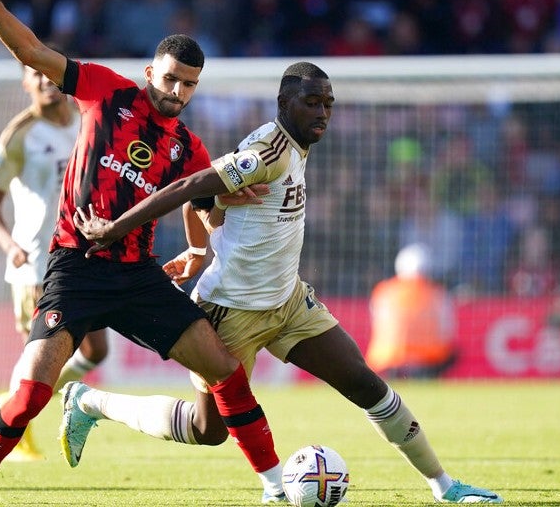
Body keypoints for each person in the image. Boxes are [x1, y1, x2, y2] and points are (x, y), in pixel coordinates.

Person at [0, 0, 278, 504]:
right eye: (171, 80)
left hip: (138, 277)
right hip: (73, 268)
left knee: (226, 372)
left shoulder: (186, 145)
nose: (178, 93)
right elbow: (31, 51)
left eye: (190, 86)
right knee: (33, 389)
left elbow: (205, 201)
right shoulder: (104, 90)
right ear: (148, 73)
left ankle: (276, 489)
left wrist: (222, 215)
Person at [67, 62, 502, 504]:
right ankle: (90, 403)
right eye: (312, 103)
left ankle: (444, 487)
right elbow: (190, 185)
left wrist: (199, 248)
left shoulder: (296, 146)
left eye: (328, 104)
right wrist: (117, 227)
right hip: (230, 312)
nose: (322, 113)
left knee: (367, 385)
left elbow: (201, 198)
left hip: (289, 302)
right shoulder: (267, 152)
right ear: (284, 104)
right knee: (207, 430)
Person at [0, 61, 109, 461]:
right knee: (39, 356)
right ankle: (16, 425)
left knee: (97, 350)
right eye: (34, 74)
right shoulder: (19, 136)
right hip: (35, 263)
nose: (45, 79)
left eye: (48, 71)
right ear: (26, 83)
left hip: (83, 255)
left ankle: (21, 397)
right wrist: (9, 246)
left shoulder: (87, 121)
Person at [366, 243, 458, 379]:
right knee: (453, 353)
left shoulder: (383, 291)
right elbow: (448, 329)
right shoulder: (437, 293)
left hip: (388, 359)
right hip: (429, 359)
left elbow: (377, 323)